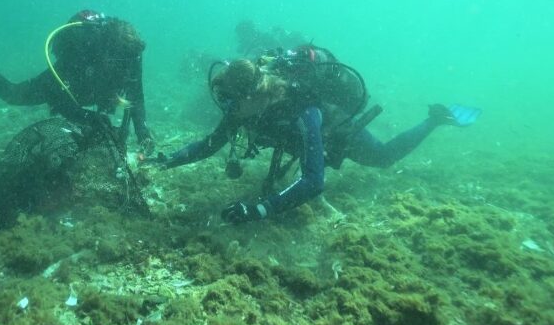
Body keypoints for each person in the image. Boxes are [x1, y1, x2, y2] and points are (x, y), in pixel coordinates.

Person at [156, 45, 479, 223]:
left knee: (382, 158)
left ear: (252, 94)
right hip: (292, 136)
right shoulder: (245, 107)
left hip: (334, 131)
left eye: (231, 102)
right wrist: (166, 160)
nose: (227, 109)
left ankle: (435, 119)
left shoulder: (301, 109)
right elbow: (211, 144)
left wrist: (260, 210)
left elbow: (314, 181)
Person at [0, 10, 153, 239]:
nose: (127, 68)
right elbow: (58, 98)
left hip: (94, 87)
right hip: (70, 84)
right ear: (107, 52)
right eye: (120, 62)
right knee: (14, 94)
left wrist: (143, 133)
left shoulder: (131, 54)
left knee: (99, 127)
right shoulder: (81, 52)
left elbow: (136, 95)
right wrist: (84, 116)